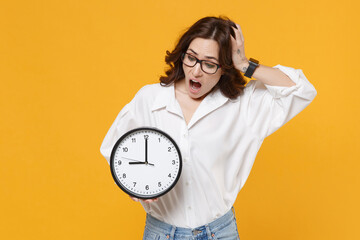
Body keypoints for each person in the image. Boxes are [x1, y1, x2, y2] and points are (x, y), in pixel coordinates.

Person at [100, 16, 317, 240]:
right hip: (161, 233)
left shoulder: (242, 106)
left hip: (219, 233)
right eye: (191, 58)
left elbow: (300, 89)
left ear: (225, 67)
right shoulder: (150, 98)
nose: (196, 71)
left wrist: (244, 65)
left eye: (209, 64)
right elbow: (116, 150)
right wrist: (137, 187)